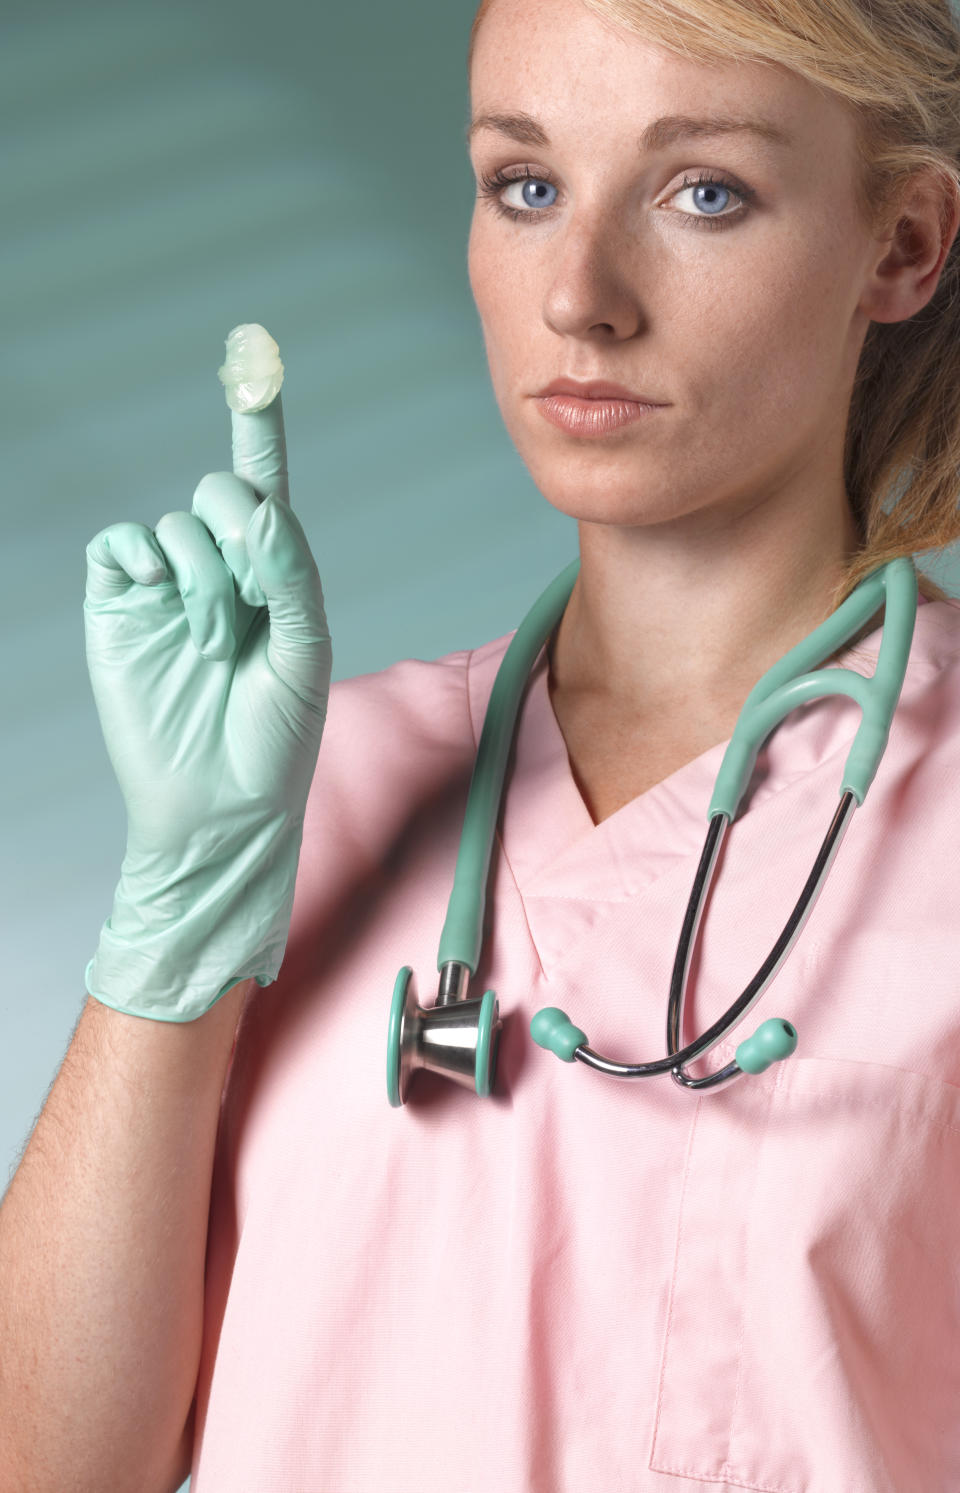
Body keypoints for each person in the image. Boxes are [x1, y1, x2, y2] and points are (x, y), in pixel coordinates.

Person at [3, 0, 960, 1488]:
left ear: (901, 243)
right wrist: (175, 921)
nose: (581, 294)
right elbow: (51, 1463)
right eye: (525, 185)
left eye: (703, 191)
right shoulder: (313, 784)